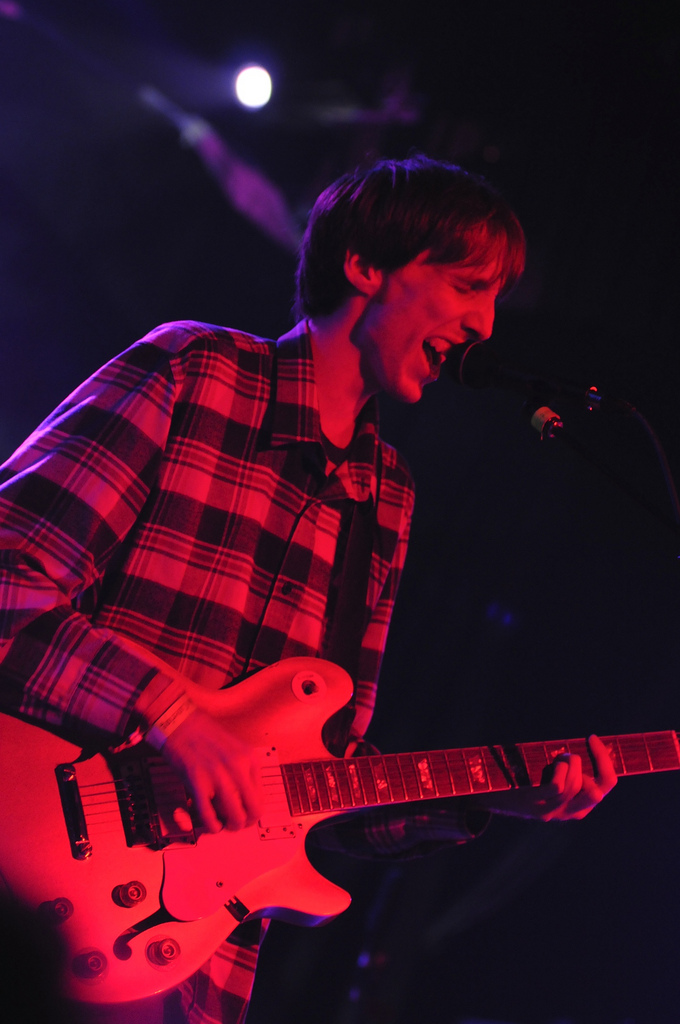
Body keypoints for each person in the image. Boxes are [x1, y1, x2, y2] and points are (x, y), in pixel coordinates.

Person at [0, 155, 617, 1024]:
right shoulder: (195, 373)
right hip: (32, 895)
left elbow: (323, 786)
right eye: (466, 284)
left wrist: (493, 793)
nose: (484, 325)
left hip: (190, 969)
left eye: (493, 299)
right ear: (365, 265)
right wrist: (173, 717)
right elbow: (9, 580)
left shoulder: (386, 498)